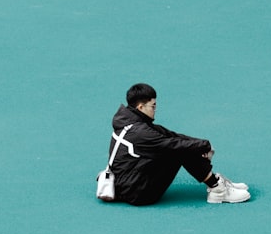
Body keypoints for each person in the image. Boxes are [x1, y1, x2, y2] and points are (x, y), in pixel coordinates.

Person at [101, 83, 249, 205]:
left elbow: (172, 136)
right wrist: (202, 147)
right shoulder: (140, 133)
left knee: (179, 146)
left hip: (125, 185)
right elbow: (174, 145)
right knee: (178, 151)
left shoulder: (132, 122)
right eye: (153, 106)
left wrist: (203, 145)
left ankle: (215, 182)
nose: (155, 109)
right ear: (140, 107)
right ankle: (218, 190)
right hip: (136, 193)